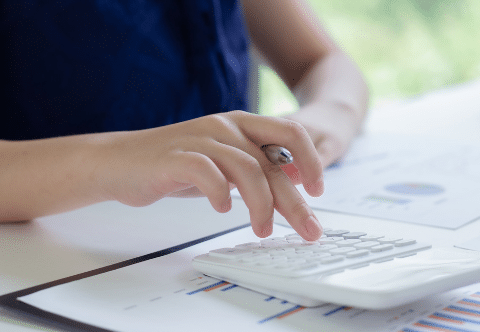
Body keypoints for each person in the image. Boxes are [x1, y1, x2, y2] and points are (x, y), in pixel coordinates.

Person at [0, 0, 368, 241]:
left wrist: (332, 110)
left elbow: (319, 60)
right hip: (53, 261)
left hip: (210, 242)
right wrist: (117, 158)